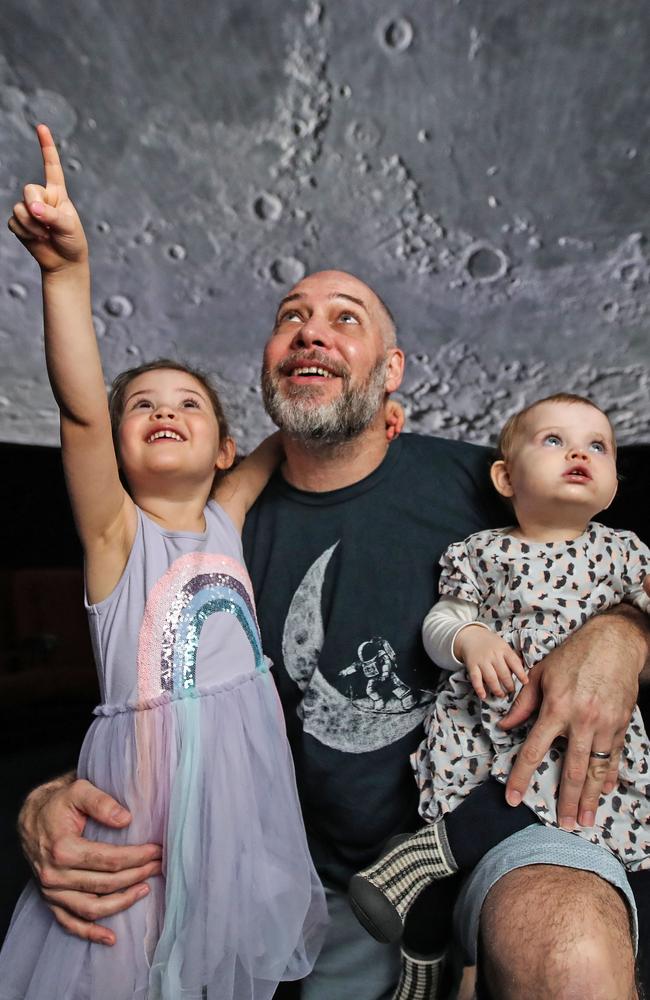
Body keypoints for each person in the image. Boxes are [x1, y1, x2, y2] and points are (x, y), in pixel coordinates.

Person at [13, 255, 650, 1000]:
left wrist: (623, 635)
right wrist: (52, 797)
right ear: (269, 367)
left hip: (511, 816)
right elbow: (151, 693)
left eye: (345, 319)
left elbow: (600, 566)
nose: (311, 333)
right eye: (291, 318)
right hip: (308, 883)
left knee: (568, 954)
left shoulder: (488, 482)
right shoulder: (214, 527)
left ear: (391, 370)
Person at [0, 124, 328, 1000]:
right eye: (140, 407)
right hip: (139, 825)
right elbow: (77, 412)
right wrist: (66, 275)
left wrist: (350, 385)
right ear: (116, 444)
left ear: (224, 448)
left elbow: (299, 425)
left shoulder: (227, 512)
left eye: (187, 404)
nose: (163, 412)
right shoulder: (118, 537)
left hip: (240, 819)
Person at [349, 395, 650, 987]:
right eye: (554, 441)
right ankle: (423, 906)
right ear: (506, 477)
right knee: (514, 793)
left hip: (592, 733)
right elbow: (440, 624)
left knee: (619, 829)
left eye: (597, 446)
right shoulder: (483, 552)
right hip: (501, 721)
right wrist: (469, 638)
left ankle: (424, 865)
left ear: (614, 483)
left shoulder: (624, 552)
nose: (578, 454)